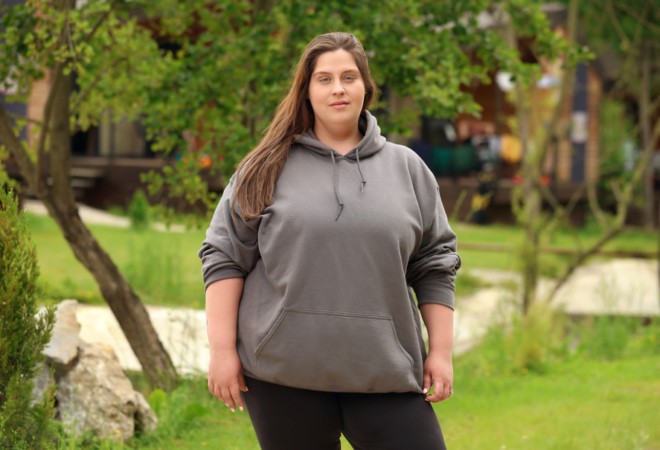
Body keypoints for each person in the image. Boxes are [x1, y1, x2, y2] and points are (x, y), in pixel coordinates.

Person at [199, 32, 461, 450]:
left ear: (366, 87)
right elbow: (224, 257)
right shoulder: (264, 167)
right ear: (306, 91)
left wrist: (441, 353)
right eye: (324, 79)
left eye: (348, 77)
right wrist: (222, 350)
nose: (338, 88)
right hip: (283, 376)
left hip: (385, 371)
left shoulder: (407, 169)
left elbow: (435, 264)